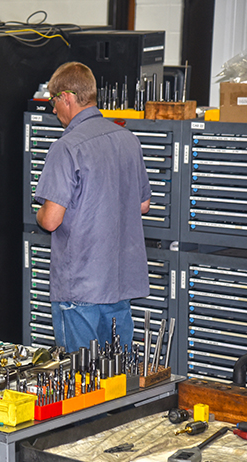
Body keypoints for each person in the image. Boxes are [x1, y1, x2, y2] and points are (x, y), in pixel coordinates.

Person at [35, 62, 151, 353]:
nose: (53, 110)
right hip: (118, 286)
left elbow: (50, 220)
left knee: (80, 381)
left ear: (67, 98)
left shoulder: (67, 147)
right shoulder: (128, 139)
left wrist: (38, 210)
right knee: (115, 379)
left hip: (81, 287)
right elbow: (144, 204)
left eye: (53, 101)